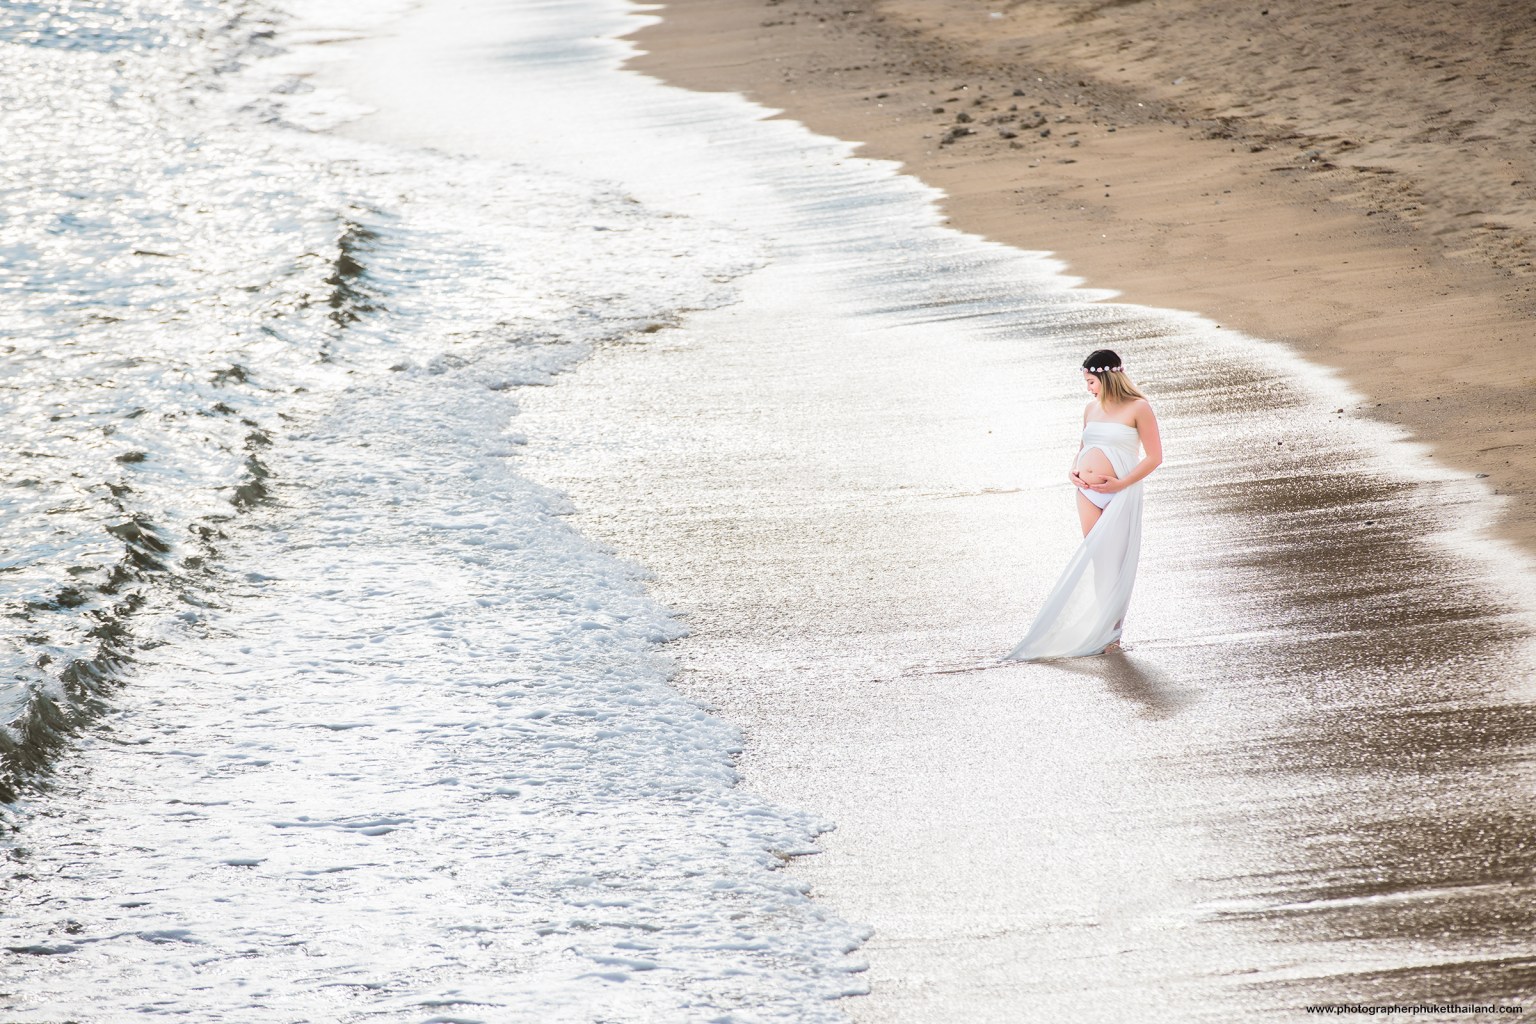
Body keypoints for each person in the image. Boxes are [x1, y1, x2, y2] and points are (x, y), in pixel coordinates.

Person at [1007, 349, 1163, 660]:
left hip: (1121, 492)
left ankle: (1113, 634)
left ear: (1107, 377)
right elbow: (1084, 446)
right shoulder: (1090, 409)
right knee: (1099, 560)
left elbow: (1155, 457)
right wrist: (1073, 470)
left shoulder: (1138, 407)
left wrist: (1121, 483)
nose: (1088, 387)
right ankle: (1103, 629)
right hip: (1087, 493)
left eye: (1091, 381)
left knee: (1116, 562)